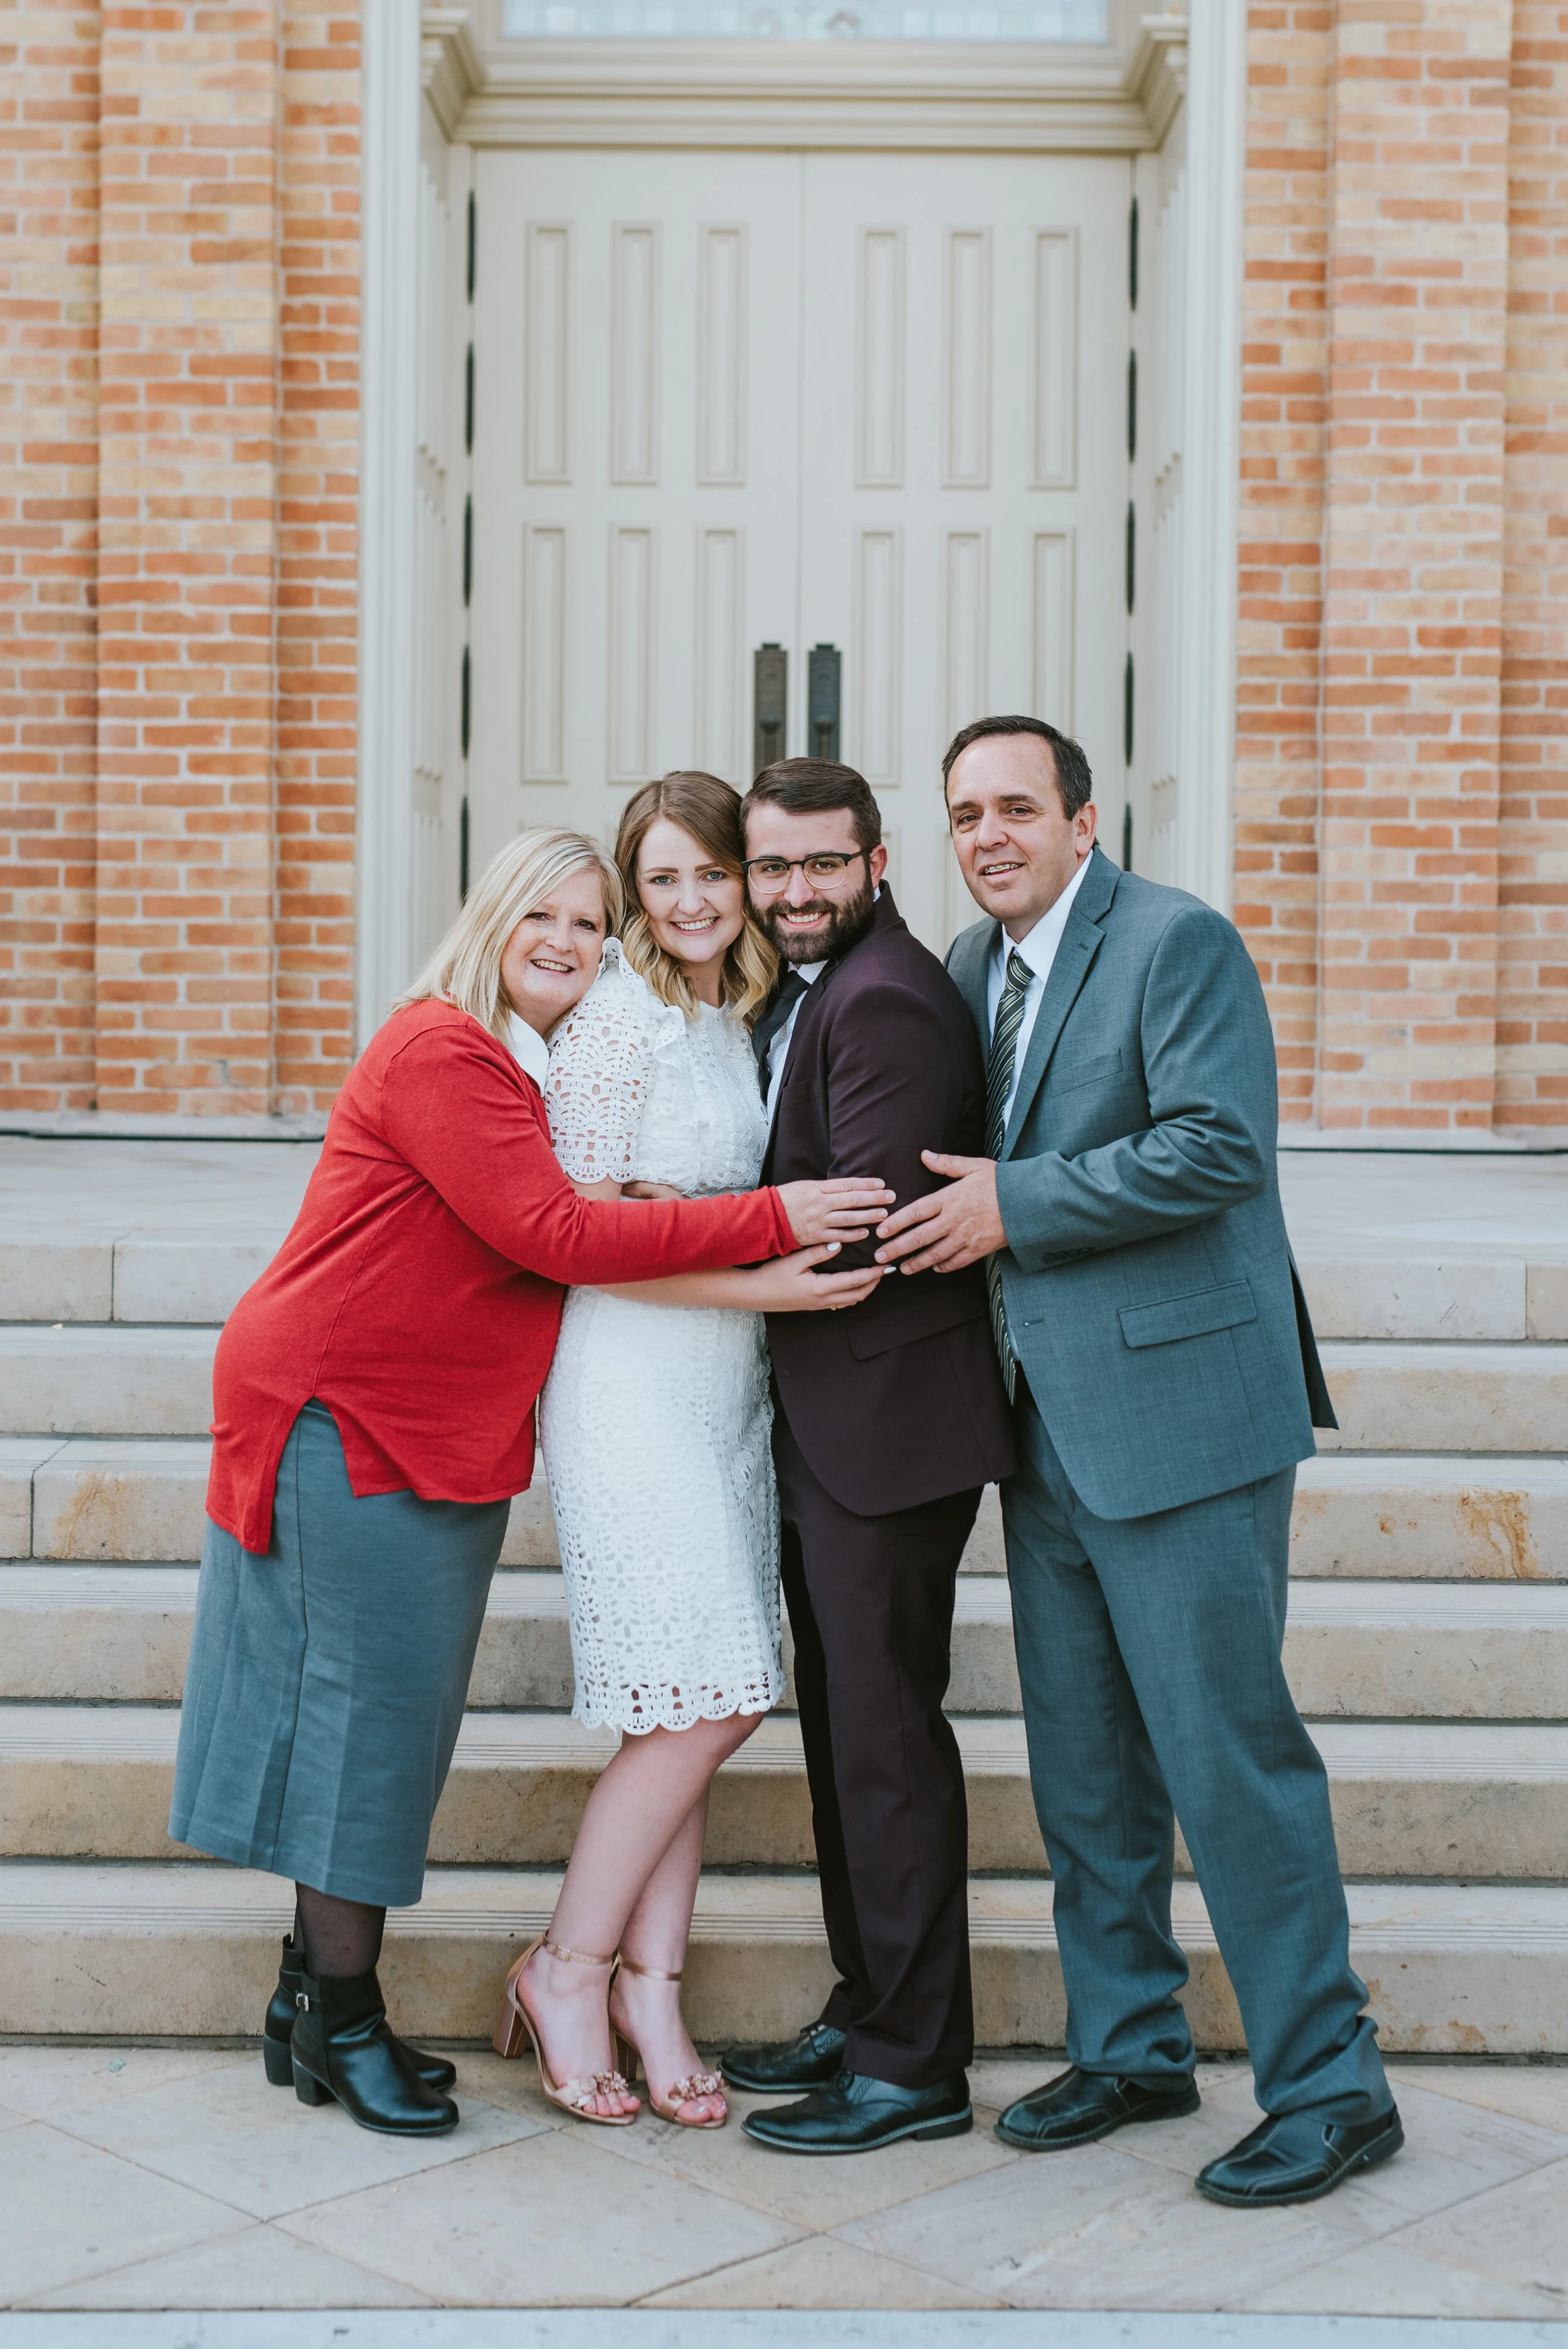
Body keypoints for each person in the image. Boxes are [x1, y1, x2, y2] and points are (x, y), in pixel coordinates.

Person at [169, 825, 887, 2140]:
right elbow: (551, 1231)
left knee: (368, 1713)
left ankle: (298, 2006)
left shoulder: (518, 1059)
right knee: (365, 1720)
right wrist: (778, 1216)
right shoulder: (441, 1047)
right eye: (540, 917)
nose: (565, 942)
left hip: (428, 1418)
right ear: (488, 919)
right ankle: (342, 2019)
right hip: (349, 1412)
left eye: (586, 926)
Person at [873, 714, 1401, 2209]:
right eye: (964, 813)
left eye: (1017, 809)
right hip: (1040, 1428)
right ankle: (1128, 2045)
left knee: (1227, 1761)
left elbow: (1217, 1146)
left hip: (1182, 1422)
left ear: (1083, 822)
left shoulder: (1177, 944)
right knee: (1085, 1770)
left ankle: (1328, 2083)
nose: (988, 837)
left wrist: (1014, 1209)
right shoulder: (972, 972)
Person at [494, 773, 889, 2130]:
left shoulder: (734, 1020)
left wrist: (749, 1251)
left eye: (705, 875)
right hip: (630, 1387)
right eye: (657, 883)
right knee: (708, 1705)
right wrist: (771, 1280)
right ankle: (567, 1967)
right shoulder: (614, 1025)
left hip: (724, 1395)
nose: (687, 903)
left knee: (695, 1694)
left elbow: (705, 1206)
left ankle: (652, 1990)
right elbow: (590, 1249)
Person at [718, 758, 1016, 2158]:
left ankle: (913, 2066)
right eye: (770, 868)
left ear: (875, 861)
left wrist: (674, 1231)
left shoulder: (885, 996)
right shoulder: (815, 988)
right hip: (835, 1417)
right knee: (849, 1737)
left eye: (820, 866)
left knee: (886, 1746)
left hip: (886, 1426)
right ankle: (867, 2006)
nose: (792, 893)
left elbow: (870, 1228)